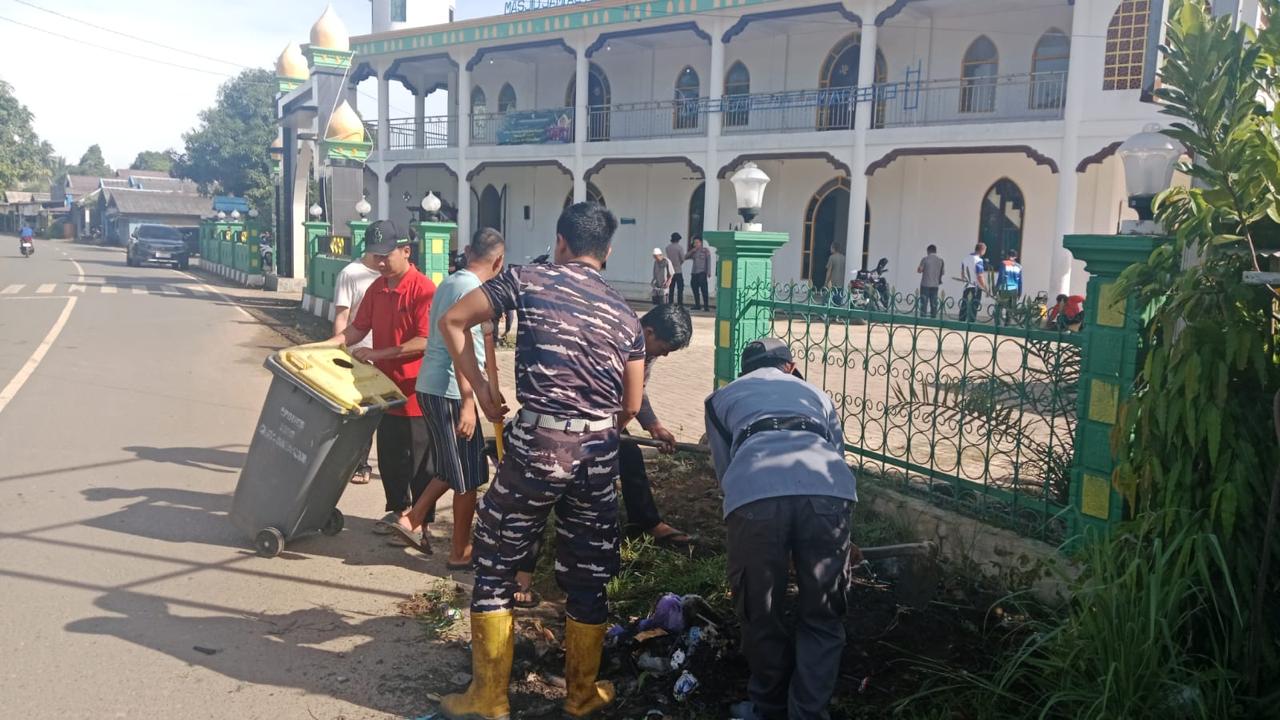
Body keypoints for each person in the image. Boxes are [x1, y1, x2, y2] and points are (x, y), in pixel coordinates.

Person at [438, 202, 645, 720]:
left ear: (560, 242)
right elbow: (633, 407)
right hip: (598, 453)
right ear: (608, 252)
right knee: (589, 570)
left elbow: (453, 320)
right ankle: (581, 695)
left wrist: (484, 390)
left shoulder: (527, 280)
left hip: (536, 445)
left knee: (497, 559)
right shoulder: (625, 313)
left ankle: (488, 698)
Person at [704, 338, 857, 720]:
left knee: (760, 610)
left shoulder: (721, 398)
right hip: (828, 494)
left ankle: (767, 707)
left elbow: (726, 471)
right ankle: (807, 713)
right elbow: (835, 456)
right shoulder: (817, 395)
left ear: (746, 370)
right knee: (822, 614)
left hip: (754, 495)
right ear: (791, 366)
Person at [388, 229, 506, 567]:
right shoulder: (473, 290)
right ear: (498, 261)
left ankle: (411, 518)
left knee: (451, 465)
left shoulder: (452, 282)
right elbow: (462, 350)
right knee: (468, 477)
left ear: (469, 251)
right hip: (453, 390)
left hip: (434, 386)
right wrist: (469, 404)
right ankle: (459, 553)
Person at [326, 220, 437, 541]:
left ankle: (422, 523)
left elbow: (425, 340)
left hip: (416, 391)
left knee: (419, 462)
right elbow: (356, 330)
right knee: (390, 458)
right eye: (375, 256)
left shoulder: (423, 289)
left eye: (386, 255)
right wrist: (323, 347)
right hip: (383, 392)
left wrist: (379, 353)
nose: (380, 262)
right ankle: (399, 512)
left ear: (406, 251)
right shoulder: (378, 288)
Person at [334, 250, 382, 487]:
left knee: (383, 413)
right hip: (358, 354)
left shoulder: (389, 273)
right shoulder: (350, 274)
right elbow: (342, 317)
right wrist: (339, 353)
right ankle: (360, 464)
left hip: (385, 355)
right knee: (361, 413)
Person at [994, 249, 1023, 326]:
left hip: (1004, 289)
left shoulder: (1003, 263)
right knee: (1009, 310)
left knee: (998, 307)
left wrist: (996, 288)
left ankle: (997, 325)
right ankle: (1007, 325)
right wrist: (1020, 292)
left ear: (1007, 255)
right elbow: (1020, 281)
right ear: (1016, 257)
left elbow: (1001, 277)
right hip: (1014, 290)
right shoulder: (1019, 267)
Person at [959, 242, 987, 322]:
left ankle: (961, 322)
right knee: (974, 306)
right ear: (982, 250)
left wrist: (965, 281)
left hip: (967, 285)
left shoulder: (965, 258)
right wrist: (985, 287)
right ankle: (971, 323)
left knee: (964, 304)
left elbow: (962, 274)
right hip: (976, 287)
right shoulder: (978, 260)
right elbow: (979, 275)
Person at [917, 244, 945, 318]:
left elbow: (920, 270)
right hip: (935, 285)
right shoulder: (940, 260)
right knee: (934, 302)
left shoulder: (925, 259)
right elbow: (942, 273)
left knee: (924, 302)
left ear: (928, 251)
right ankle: (933, 317)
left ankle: (923, 317)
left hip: (925, 284)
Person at [688, 236, 712, 311]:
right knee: (694, 289)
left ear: (701, 243)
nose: (696, 244)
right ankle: (697, 305)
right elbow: (685, 257)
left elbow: (708, 261)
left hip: (702, 272)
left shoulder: (705, 251)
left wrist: (708, 271)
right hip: (694, 272)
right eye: (694, 243)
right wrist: (692, 251)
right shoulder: (693, 251)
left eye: (697, 242)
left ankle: (706, 306)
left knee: (704, 290)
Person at [665, 232, 687, 306]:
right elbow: (683, 259)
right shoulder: (679, 248)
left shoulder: (668, 248)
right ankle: (680, 303)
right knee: (680, 288)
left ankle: (670, 303)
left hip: (670, 271)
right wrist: (679, 263)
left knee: (671, 288)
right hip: (678, 271)